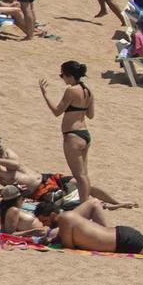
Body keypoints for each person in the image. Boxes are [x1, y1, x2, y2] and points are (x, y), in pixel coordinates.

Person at [40, 60, 94, 200]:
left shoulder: (71, 90)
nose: (62, 78)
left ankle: (85, 204)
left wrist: (45, 94)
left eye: (62, 75)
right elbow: (90, 115)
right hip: (84, 134)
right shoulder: (88, 91)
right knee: (84, 174)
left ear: (69, 75)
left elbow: (57, 111)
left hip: (72, 135)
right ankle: (85, 201)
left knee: (79, 175)